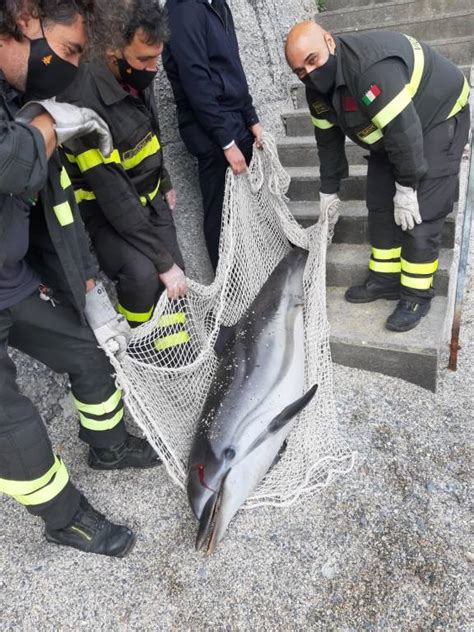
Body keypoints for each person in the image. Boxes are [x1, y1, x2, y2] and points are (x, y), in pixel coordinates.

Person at [0, 0, 160, 558]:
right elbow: (9, 162)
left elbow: (54, 210)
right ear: (25, 18)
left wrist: (90, 288)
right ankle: (62, 516)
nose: (67, 69)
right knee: (9, 420)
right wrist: (48, 121)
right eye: (67, 50)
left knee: (88, 351)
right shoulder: (33, 111)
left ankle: (108, 447)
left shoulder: (16, 98)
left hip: (8, 281)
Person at [285, 21, 470, 332]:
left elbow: (405, 134)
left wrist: (407, 187)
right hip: (395, 132)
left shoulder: (369, 70)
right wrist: (328, 190)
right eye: (299, 71)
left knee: (421, 214)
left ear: (330, 42)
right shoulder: (316, 93)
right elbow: (327, 144)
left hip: (438, 115)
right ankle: (384, 280)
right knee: (380, 204)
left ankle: (416, 295)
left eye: (312, 60)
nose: (309, 74)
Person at [59, 0, 188, 349]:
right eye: (144, 60)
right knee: (144, 275)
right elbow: (114, 196)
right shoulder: (84, 100)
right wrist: (163, 263)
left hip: (150, 195)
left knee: (177, 272)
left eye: (157, 57)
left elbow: (151, 133)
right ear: (113, 49)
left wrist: (166, 180)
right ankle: (145, 347)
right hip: (106, 210)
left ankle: (175, 348)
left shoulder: (136, 75)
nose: (153, 69)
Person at [163, 0, 263, 270]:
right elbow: (195, 77)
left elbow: (233, 65)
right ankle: (229, 286)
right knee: (221, 215)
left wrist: (251, 117)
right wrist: (226, 141)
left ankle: (253, 273)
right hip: (211, 131)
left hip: (235, 121)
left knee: (245, 209)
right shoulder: (183, 9)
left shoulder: (217, 5)